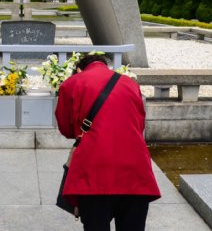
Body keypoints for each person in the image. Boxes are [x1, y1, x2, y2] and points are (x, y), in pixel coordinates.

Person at [55, 53, 161, 231]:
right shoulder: (130, 84)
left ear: (79, 69)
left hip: (95, 171)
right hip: (135, 169)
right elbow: (139, 123)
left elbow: (66, 128)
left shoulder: (72, 83)